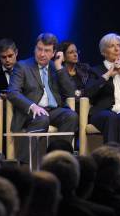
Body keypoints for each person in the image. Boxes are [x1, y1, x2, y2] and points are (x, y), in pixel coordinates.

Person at [7, 32, 77, 164]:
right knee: (42, 118)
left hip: (53, 110)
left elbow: (70, 92)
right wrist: (32, 106)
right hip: (31, 112)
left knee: (71, 116)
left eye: (47, 51)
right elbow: (12, 92)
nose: (42, 54)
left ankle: (58, 160)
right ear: (35, 48)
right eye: (39, 49)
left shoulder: (55, 67)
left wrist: (59, 66)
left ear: (54, 52)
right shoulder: (22, 66)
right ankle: (23, 163)